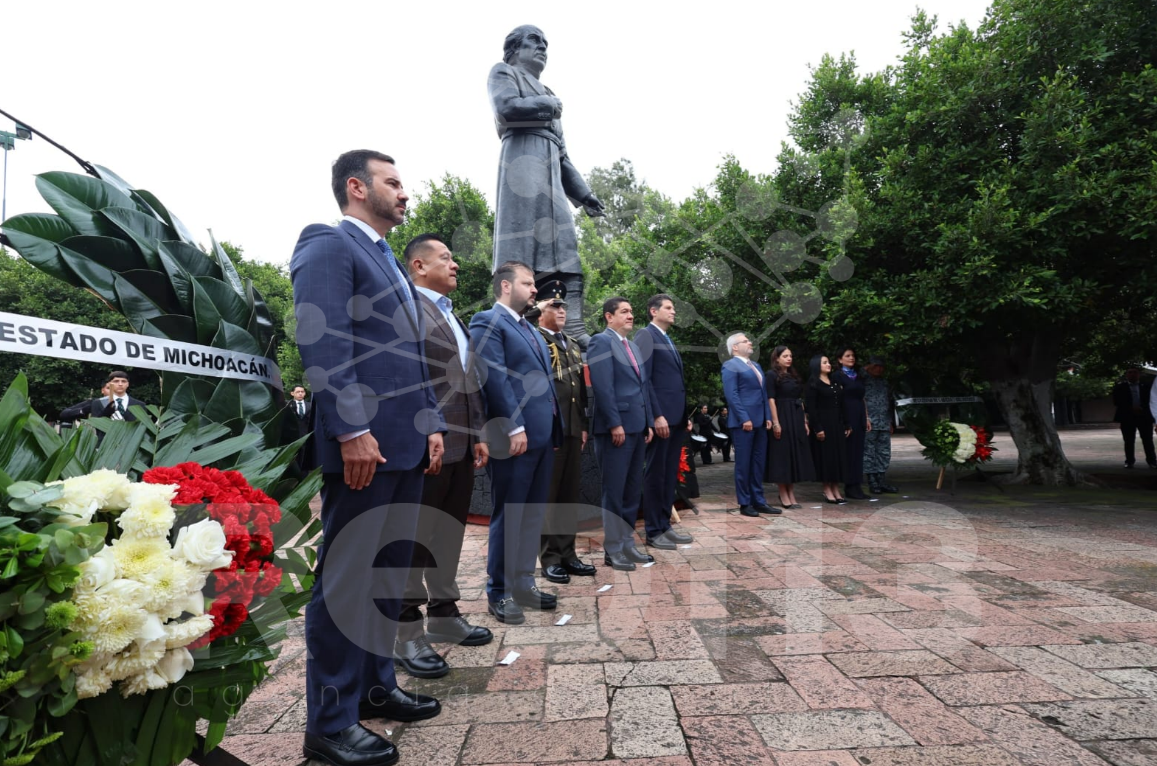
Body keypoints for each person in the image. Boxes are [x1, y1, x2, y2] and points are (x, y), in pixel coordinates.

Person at [291, 150, 446, 766]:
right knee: (346, 582)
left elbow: (412, 358)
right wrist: (352, 427)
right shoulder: (329, 243)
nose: (404, 193)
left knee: (385, 575)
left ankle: (376, 687)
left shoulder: (389, 262)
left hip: (404, 444)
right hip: (365, 448)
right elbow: (322, 338)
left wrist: (431, 424)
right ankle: (329, 723)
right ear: (357, 187)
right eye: (393, 182)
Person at [395, 234, 493, 680]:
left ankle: (444, 613)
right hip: (426, 443)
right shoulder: (407, 309)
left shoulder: (454, 315)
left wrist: (478, 433)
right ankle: (405, 630)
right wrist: (424, 429)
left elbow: (468, 381)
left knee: (448, 534)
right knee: (414, 539)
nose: (455, 265)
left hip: (461, 443)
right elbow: (407, 378)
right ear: (419, 265)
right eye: (446, 258)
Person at [488, 25, 605, 345]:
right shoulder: (504, 72)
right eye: (534, 41)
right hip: (523, 169)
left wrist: (584, 194)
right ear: (514, 49)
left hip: (552, 175)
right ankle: (521, 320)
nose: (542, 47)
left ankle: (573, 325)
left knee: (565, 249)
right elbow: (506, 109)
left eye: (545, 43)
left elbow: (563, 155)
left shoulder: (547, 91)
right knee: (523, 248)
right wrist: (549, 105)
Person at [470, 261, 564, 624]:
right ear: (506, 286)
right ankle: (499, 591)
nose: (535, 289)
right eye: (528, 283)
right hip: (514, 437)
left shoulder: (528, 328)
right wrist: (513, 427)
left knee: (531, 514)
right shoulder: (488, 321)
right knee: (509, 515)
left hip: (541, 435)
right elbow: (495, 377)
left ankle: (524, 583)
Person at [533, 280, 597, 584]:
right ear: (541, 309)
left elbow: (578, 391)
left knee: (569, 495)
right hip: (549, 431)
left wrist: (581, 426)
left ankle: (568, 554)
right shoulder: (535, 339)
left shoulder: (571, 344)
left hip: (571, 429)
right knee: (549, 497)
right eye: (554, 305)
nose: (561, 311)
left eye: (563, 307)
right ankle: (550, 558)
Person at [588, 296, 654, 570]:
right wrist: (615, 423)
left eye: (631, 311)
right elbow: (603, 387)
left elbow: (642, 386)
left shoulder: (633, 347)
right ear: (609, 316)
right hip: (616, 430)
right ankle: (613, 549)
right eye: (624, 311)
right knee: (614, 491)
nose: (630, 315)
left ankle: (628, 544)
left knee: (631, 490)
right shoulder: (600, 342)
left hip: (637, 427)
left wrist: (648, 422)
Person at [636, 294, 694, 550]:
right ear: (653, 311)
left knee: (669, 474)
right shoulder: (645, 336)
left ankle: (664, 526)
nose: (673, 312)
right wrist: (655, 415)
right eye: (668, 308)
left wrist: (684, 416)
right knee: (656, 474)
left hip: (676, 418)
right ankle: (653, 530)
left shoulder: (667, 339)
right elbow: (645, 379)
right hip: (662, 418)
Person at [721, 333, 774, 517]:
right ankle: (745, 503)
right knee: (743, 464)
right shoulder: (730, 365)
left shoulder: (756, 366)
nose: (750, 342)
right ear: (735, 347)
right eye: (745, 341)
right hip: (743, 423)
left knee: (758, 463)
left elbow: (763, 393)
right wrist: (744, 418)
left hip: (760, 421)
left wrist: (768, 415)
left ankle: (759, 500)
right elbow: (732, 395)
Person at [764, 346, 814, 509]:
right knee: (782, 454)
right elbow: (771, 399)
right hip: (782, 414)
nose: (789, 358)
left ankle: (791, 492)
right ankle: (783, 492)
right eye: (785, 356)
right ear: (777, 358)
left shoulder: (793, 375)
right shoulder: (771, 375)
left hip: (796, 415)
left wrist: (804, 421)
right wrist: (775, 422)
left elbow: (799, 399)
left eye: (790, 356)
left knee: (794, 453)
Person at [807, 355, 850, 504]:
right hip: (824, 424)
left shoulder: (834, 382)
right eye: (824, 362)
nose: (828, 364)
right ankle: (827, 489)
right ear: (816, 365)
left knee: (838, 456)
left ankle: (836, 488)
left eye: (828, 362)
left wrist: (846, 423)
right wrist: (817, 428)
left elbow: (842, 404)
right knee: (826, 457)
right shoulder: (813, 384)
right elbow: (811, 409)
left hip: (837, 423)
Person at [834, 347, 871, 499]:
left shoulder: (858, 375)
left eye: (853, 355)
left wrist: (867, 417)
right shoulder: (837, 376)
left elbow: (863, 397)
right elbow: (837, 398)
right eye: (847, 355)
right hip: (847, 414)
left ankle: (857, 485)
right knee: (849, 451)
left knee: (858, 451)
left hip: (859, 413)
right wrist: (843, 421)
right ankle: (849, 486)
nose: (851, 358)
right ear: (840, 359)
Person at [863, 356, 899, 492]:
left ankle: (881, 480)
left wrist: (890, 422)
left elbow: (888, 403)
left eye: (881, 367)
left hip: (883, 422)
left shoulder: (884, 382)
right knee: (869, 452)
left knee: (884, 452)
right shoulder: (863, 380)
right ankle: (872, 481)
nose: (879, 369)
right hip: (869, 422)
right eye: (875, 366)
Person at [1112, 367, 1156, 469]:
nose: (1132, 374)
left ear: (1139, 374)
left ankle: (1152, 461)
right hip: (1127, 417)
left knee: (1148, 440)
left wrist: (1142, 408)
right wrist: (1130, 408)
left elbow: (1152, 400)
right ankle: (1129, 461)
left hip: (1144, 417)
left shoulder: (1147, 387)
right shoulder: (1120, 387)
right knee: (1128, 441)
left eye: (1135, 372)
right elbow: (1116, 402)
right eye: (1130, 372)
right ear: (1126, 375)